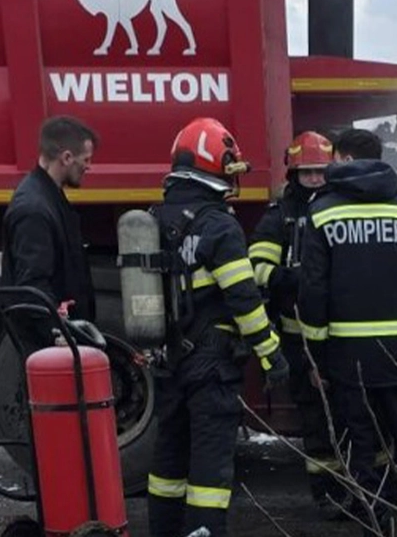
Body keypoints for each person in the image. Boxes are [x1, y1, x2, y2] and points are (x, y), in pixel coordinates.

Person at [147, 117, 290, 537]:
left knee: (168, 461)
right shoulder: (219, 226)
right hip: (211, 364)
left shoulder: (153, 220)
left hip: (168, 356)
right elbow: (244, 300)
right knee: (210, 469)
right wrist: (272, 355)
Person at [298, 128, 397, 537]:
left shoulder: (322, 212)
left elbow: (313, 290)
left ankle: (374, 529)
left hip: (348, 359)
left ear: (343, 158)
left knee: (363, 453)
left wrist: (316, 356)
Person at [247, 130, 344, 509]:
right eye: (308, 173)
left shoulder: (341, 209)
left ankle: (358, 490)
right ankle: (326, 495)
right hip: (298, 337)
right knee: (315, 419)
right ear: (294, 175)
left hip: (342, 334)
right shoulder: (280, 217)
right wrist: (297, 278)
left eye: (321, 172)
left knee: (351, 415)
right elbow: (257, 268)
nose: (315, 179)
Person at [0, 115, 99, 353]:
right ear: (66, 158)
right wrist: (57, 332)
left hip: (56, 344)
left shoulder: (47, 198)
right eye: (86, 159)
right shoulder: (33, 209)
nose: (88, 166)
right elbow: (33, 285)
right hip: (49, 347)